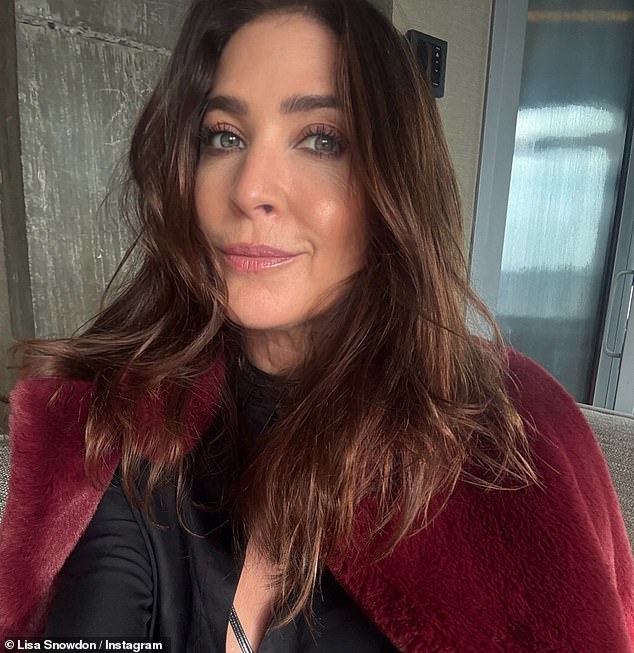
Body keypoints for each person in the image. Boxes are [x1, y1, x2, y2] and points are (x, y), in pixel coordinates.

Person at [0, 0, 633, 651]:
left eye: (320, 139)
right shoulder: (133, 422)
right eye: (225, 136)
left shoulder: (514, 446)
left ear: (392, 182)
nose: (249, 188)